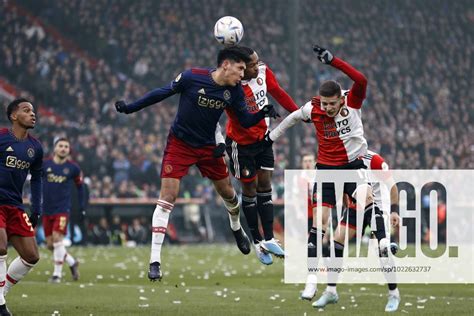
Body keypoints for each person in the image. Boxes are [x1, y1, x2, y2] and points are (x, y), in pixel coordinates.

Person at [115, 46, 279, 281]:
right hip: (180, 145)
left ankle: (236, 227)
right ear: (226, 65)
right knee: (167, 197)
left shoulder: (234, 92)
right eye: (241, 69)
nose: (243, 75)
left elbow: (243, 120)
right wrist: (131, 107)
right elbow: (161, 93)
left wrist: (262, 112)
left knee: (230, 195)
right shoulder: (192, 77)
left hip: (208, 147)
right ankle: (155, 261)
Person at [265, 45, 401, 312]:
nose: (327, 108)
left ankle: (391, 279)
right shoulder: (313, 109)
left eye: (332, 103)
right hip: (327, 172)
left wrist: (333, 61)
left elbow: (361, 80)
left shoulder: (366, 149)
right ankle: (322, 285)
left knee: (367, 200)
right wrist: (269, 138)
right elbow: (292, 118)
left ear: (341, 99)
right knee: (325, 230)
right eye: (324, 103)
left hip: (353, 173)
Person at [221, 46, 299, 265]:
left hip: (263, 141)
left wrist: (298, 112)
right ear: (242, 68)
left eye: (258, 62)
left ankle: (270, 238)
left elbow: (278, 92)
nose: (258, 66)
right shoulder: (231, 88)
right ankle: (257, 241)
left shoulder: (263, 72)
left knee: (266, 185)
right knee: (250, 188)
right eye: (253, 64)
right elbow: (242, 119)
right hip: (241, 145)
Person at [0, 98, 43, 316]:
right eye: (26, 111)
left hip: (15, 205)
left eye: (33, 111)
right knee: (0, 247)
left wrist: (36, 208)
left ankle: (2, 292)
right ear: (14, 116)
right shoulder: (1, 137)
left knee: (31, 256)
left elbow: (36, 179)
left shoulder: (35, 147)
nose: (32, 114)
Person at [42, 137, 84, 283]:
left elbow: (80, 187)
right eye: (61, 146)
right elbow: (34, 182)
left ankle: (57, 275)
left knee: (57, 239)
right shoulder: (44, 165)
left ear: (68, 150)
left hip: (62, 209)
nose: (63, 148)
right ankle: (72, 262)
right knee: (50, 244)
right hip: (46, 209)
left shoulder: (73, 168)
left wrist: (82, 206)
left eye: (66, 146)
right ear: (55, 148)